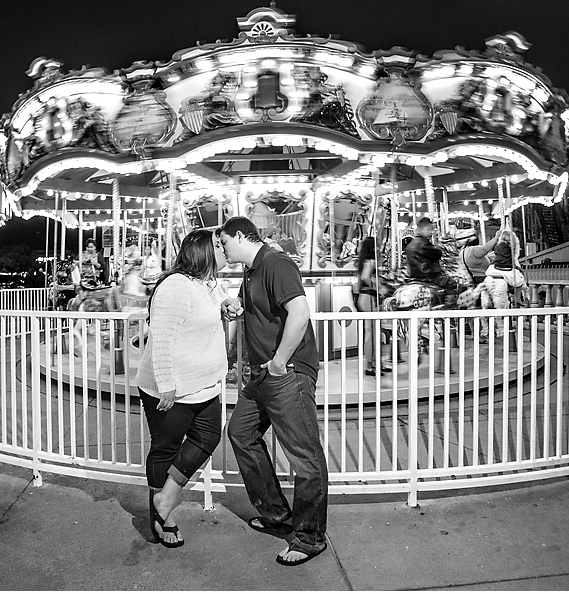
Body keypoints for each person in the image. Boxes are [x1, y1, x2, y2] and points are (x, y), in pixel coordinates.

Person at [217, 216, 328, 567]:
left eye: (223, 243)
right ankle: (277, 514)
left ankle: (310, 536)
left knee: (303, 454)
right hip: (262, 375)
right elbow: (256, 309)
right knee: (240, 433)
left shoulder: (276, 263)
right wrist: (233, 306)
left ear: (239, 236)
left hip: (285, 373)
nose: (222, 249)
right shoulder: (250, 271)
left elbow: (299, 312)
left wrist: (280, 361)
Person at [134, 228, 230, 548]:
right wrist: (166, 384)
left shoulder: (208, 284)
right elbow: (161, 338)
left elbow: (222, 297)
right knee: (166, 447)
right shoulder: (176, 286)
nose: (225, 248)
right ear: (203, 251)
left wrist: (230, 304)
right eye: (218, 244)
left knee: (208, 436)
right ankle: (163, 516)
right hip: (172, 386)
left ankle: (165, 498)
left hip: (202, 385)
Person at [354, 237, 393, 375]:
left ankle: (376, 362)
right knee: (372, 333)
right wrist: (378, 288)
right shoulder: (370, 261)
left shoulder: (363, 261)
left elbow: (359, 282)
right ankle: (371, 366)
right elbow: (365, 277)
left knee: (373, 332)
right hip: (369, 297)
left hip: (364, 297)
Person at [404, 218, 458, 291]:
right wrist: (439, 248)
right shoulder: (423, 244)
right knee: (452, 283)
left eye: (432, 230)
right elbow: (437, 254)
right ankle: (450, 302)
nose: (431, 232)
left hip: (413, 276)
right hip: (427, 276)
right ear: (420, 230)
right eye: (428, 230)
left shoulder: (411, 245)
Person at [485, 230, 527, 308]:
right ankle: (517, 298)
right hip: (506, 268)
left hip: (496, 267)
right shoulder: (511, 247)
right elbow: (511, 259)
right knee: (520, 279)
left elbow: (498, 255)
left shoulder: (498, 246)